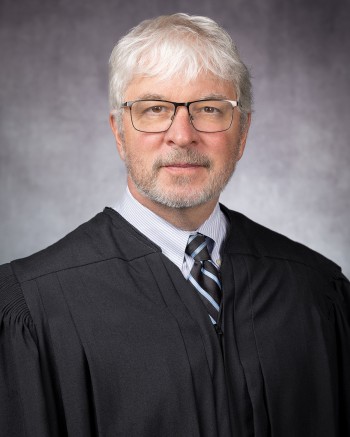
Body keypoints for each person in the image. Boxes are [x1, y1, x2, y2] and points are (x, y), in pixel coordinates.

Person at [0, 13, 349, 437]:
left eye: (208, 108)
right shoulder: (35, 306)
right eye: (154, 109)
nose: (182, 135)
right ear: (118, 132)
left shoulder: (316, 291)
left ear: (242, 133)